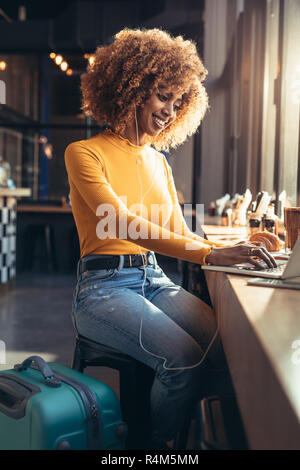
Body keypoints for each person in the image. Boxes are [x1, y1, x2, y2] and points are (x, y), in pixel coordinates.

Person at [65, 28, 276, 449]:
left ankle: (194, 437)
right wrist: (214, 250)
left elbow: (179, 234)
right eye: (163, 96)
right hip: (104, 289)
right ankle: (157, 449)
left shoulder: (159, 162)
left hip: (155, 280)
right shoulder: (83, 152)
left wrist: (239, 247)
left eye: (178, 102)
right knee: (182, 361)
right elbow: (120, 223)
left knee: (225, 351)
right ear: (132, 90)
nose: (169, 110)